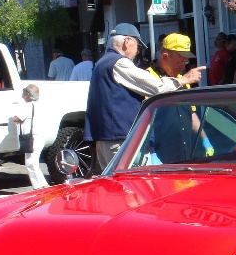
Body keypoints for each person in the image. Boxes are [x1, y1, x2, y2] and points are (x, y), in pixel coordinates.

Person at [83, 23, 204, 170]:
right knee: (135, 183)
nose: (138, 51)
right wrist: (184, 80)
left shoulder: (103, 62)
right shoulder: (119, 62)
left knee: (117, 183)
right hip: (121, 140)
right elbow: (157, 87)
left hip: (108, 139)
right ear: (127, 41)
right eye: (138, 45)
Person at [145, 33, 212, 163]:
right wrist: (150, 151)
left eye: (185, 62)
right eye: (180, 62)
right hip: (160, 156)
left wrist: (204, 139)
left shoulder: (182, 80)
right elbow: (145, 121)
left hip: (185, 154)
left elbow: (190, 113)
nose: (183, 67)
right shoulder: (148, 79)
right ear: (165, 56)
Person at [13, 84, 48, 189]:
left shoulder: (28, 106)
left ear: (27, 95)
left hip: (33, 138)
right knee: (31, 163)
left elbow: (17, 118)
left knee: (31, 163)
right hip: (39, 137)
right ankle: (37, 186)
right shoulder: (40, 105)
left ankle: (43, 185)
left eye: (24, 91)